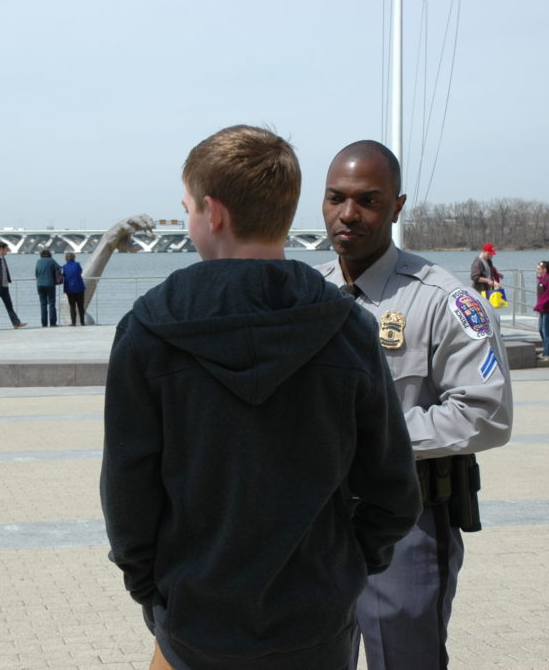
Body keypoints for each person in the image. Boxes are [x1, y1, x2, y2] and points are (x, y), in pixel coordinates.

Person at [101, 125, 422, 670]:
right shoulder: (346, 327)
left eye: (187, 209)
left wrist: (154, 590)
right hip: (316, 625)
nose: (187, 221)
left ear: (213, 212)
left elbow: (128, 491)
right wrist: (343, 568)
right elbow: (393, 490)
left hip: (194, 621)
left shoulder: (150, 330)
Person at [316, 140, 514, 670]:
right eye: (336, 198)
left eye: (368, 200)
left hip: (408, 523)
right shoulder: (307, 297)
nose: (348, 214)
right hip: (317, 524)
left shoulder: (445, 301)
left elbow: (485, 413)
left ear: (397, 207)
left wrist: (373, 436)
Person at [0, 241, 27, 329]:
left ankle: (16, 323)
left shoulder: (3, 258)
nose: (7, 250)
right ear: (1, 249)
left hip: (4, 286)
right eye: (6, 249)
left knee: (9, 305)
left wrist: (7, 281)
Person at [35, 249, 61, 326]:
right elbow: (59, 268)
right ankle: (52, 323)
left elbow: (36, 273)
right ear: (49, 254)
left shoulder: (38, 261)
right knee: (52, 303)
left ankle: (44, 323)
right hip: (50, 284)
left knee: (43, 304)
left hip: (39, 284)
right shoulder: (51, 260)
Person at [62, 252, 86, 325]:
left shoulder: (64, 266)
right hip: (79, 288)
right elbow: (80, 272)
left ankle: (73, 322)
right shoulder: (77, 264)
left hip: (70, 289)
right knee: (80, 306)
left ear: (66, 258)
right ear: (74, 257)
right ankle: (82, 322)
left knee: (72, 306)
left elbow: (63, 274)